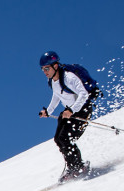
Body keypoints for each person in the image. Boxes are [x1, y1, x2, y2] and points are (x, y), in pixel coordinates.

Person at [37, 51, 100, 183]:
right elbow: (56, 96)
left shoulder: (69, 78)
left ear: (55, 66)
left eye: (47, 68)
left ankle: (78, 167)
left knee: (65, 138)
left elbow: (83, 94)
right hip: (70, 111)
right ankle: (73, 166)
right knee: (58, 139)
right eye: (43, 69)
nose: (45, 72)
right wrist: (48, 111)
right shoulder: (53, 81)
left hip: (82, 109)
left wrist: (72, 110)